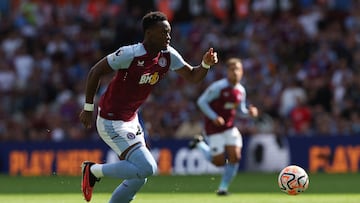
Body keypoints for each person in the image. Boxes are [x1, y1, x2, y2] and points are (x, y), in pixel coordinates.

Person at [79, 11, 218, 203]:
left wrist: (205, 64)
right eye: (163, 32)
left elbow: (193, 76)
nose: (168, 36)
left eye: (169, 32)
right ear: (149, 33)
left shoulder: (168, 56)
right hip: (111, 120)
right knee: (148, 168)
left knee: (140, 176)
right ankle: (92, 170)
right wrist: (88, 108)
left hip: (131, 119)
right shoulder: (130, 54)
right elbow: (96, 71)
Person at [189, 57, 258, 196]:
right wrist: (214, 117)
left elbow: (240, 111)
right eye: (232, 70)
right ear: (227, 72)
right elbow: (201, 102)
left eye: (237, 69)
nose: (235, 72)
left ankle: (223, 188)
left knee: (235, 157)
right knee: (219, 162)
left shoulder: (241, 91)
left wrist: (249, 113)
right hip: (213, 129)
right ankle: (199, 144)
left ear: (242, 72)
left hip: (229, 128)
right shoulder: (218, 87)